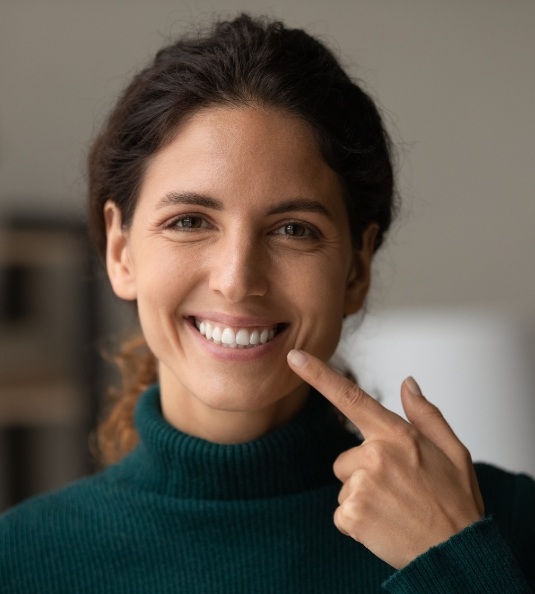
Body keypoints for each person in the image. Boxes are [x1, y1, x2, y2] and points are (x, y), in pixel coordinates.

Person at [1, 14, 533, 593]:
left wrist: (453, 563)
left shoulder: (507, 528)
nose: (237, 280)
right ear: (121, 250)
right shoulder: (19, 562)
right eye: (189, 221)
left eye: (293, 230)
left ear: (356, 267)